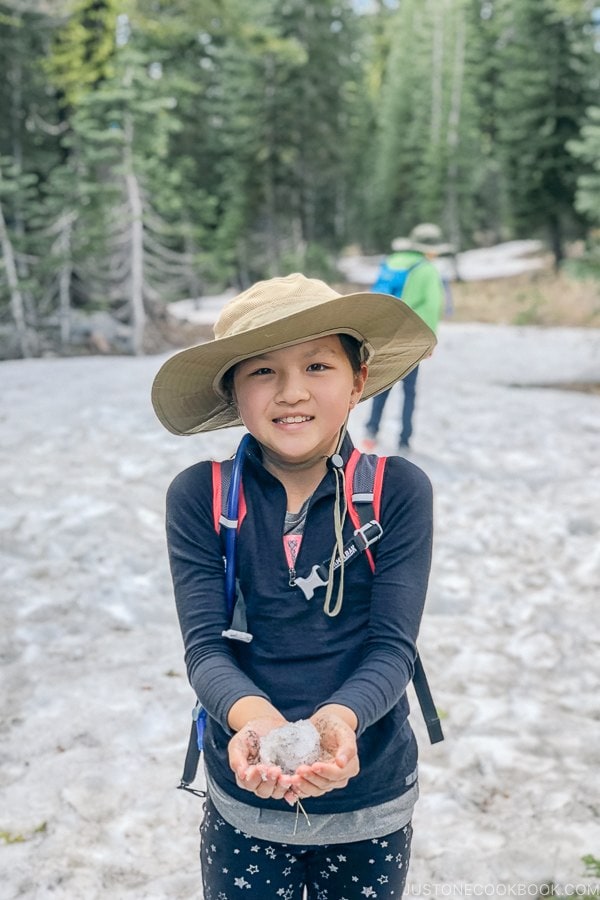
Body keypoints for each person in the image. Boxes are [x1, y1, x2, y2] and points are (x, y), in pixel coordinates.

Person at [151, 272, 437, 900]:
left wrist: (341, 720)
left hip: (373, 797)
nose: (291, 393)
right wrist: (255, 725)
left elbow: (392, 648)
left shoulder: (399, 492)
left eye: (316, 365)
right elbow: (205, 650)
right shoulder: (201, 497)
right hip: (244, 801)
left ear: (358, 378)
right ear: (232, 391)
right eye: (261, 372)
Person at [363, 223, 451, 452]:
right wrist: (429, 340)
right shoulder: (427, 269)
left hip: (384, 334)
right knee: (409, 390)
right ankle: (404, 440)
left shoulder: (392, 261)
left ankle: (371, 431)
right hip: (410, 338)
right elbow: (432, 306)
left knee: (382, 384)